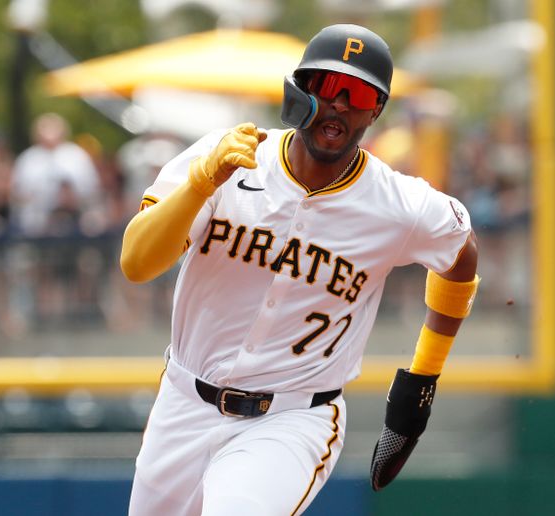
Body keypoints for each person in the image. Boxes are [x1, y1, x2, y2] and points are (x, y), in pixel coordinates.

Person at [121, 23, 479, 516]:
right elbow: (137, 264)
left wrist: (424, 375)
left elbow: (462, 256)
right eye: (328, 85)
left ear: (376, 110)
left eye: (357, 93)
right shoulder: (227, 158)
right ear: (301, 89)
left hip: (290, 419)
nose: (340, 103)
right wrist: (202, 184)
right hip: (182, 403)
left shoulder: (402, 205)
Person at [9, 113, 101, 237]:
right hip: (37, 224)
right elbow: (17, 191)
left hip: (76, 220)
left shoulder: (76, 155)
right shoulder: (28, 159)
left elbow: (91, 186)